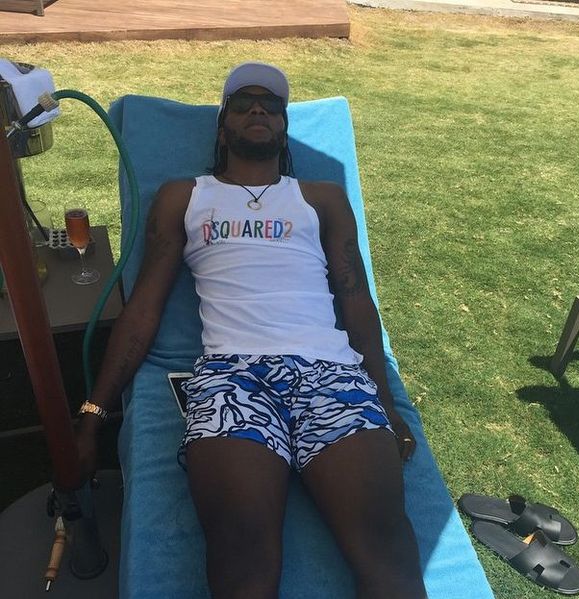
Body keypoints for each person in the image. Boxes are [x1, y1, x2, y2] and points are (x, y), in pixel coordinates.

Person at [76, 62, 428, 599]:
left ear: (284, 127)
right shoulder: (184, 197)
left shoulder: (321, 198)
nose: (258, 109)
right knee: (243, 565)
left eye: (271, 104)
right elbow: (144, 307)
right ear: (223, 128)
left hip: (331, 374)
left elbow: (356, 301)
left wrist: (385, 401)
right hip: (232, 378)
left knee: (390, 560)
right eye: (242, 103)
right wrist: (94, 414)